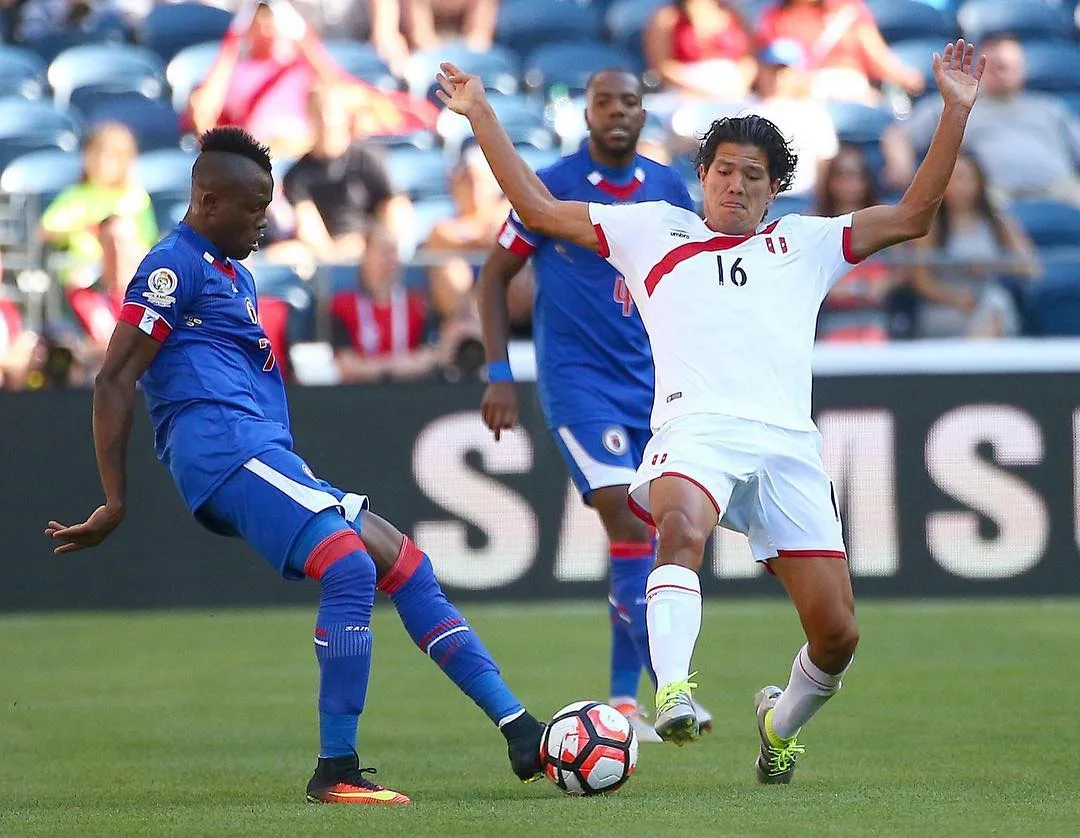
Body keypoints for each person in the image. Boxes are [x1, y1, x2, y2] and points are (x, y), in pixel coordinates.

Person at [441, 37, 985, 779]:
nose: (735, 185)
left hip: (788, 446)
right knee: (678, 526)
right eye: (724, 170)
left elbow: (918, 214)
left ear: (774, 190)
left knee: (837, 636)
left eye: (753, 176)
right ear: (701, 176)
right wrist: (479, 113)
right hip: (694, 429)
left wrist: (953, 109)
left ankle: (779, 723)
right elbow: (535, 206)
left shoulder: (809, 241)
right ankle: (673, 691)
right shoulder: (650, 230)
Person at [43, 127, 546, 805]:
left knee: (407, 565)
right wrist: (115, 498)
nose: (263, 220)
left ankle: (519, 729)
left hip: (264, 453)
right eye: (252, 207)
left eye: (267, 205)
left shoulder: (234, 272)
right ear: (206, 198)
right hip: (224, 450)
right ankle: (335, 769)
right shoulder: (172, 265)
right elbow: (113, 378)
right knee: (349, 566)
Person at [477, 68, 712, 743]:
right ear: (586, 112)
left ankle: (625, 703)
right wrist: (500, 373)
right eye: (603, 100)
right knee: (624, 513)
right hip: (577, 380)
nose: (616, 111)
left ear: (643, 113)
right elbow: (492, 278)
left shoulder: (668, 187)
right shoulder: (551, 185)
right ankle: (670, 690)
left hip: (653, 381)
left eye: (628, 102)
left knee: (647, 535)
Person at [882, 33, 1080, 206]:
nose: (1002, 72)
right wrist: (900, 165)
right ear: (980, 67)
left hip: (1060, 189)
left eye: (1008, 66)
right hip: (991, 197)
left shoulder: (1050, 108)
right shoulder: (957, 103)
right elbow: (898, 134)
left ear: (1023, 68)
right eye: (995, 66)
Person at [909, 150, 1040, 338]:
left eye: (963, 178)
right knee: (993, 307)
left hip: (986, 299)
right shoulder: (929, 226)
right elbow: (921, 281)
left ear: (979, 181)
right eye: (950, 178)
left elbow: (1031, 267)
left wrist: (992, 265)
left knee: (995, 303)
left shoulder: (998, 221)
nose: (957, 186)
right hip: (945, 307)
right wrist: (956, 297)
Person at [280, 83, 412, 262]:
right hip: (326, 254)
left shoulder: (369, 158)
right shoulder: (296, 176)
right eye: (319, 112)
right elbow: (307, 225)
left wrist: (378, 244)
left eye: (332, 112)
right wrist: (334, 255)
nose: (327, 120)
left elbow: (395, 205)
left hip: (371, 246)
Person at [40, 122, 159, 289]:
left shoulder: (136, 199)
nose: (100, 163)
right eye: (94, 155)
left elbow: (146, 243)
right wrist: (81, 226)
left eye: (110, 157)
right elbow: (45, 230)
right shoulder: (76, 196)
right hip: (84, 271)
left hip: (126, 273)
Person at [329, 223, 441, 384]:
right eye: (384, 252)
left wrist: (375, 368)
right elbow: (346, 364)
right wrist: (391, 367)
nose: (391, 260)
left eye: (394, 252)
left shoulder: (418, 305)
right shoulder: (343, 307)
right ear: (366, 255)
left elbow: (429, 357)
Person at [755, 0, 923, 104]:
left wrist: (905, 77)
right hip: (801, 98)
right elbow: (771, 76)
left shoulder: (847, 9)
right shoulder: (775, 18)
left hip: (850, 91)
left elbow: (877, 56)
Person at [814, 145, 899, 342]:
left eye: (856, 175)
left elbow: (902, 268)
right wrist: (827, 288)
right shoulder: (813, 224)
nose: (849, 183)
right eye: (842, 175)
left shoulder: (884, 221)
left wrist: (887, 284)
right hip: (825, 319)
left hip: (877, 317)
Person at [643, 0, 757, 99]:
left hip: (733, 93)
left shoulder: (734, 14)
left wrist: (738, 87)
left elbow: (749, 59)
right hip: (685, 94)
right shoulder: (667, 17)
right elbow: (661, 66)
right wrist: (702, 91)